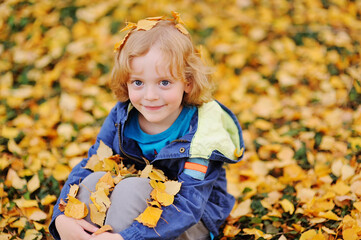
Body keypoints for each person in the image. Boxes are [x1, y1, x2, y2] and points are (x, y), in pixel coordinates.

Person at [49, 12, 245, 240]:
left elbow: (189, 206)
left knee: (130, 191)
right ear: (126, 81)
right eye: (138, 82)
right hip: (135, 207)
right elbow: (90, 165)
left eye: (164, 82)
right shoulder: (122, 116)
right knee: (93, 181)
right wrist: (61, 217)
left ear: (188, 83)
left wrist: (127, 237)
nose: (150, 96)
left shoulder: (202, 135)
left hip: (187, 222)